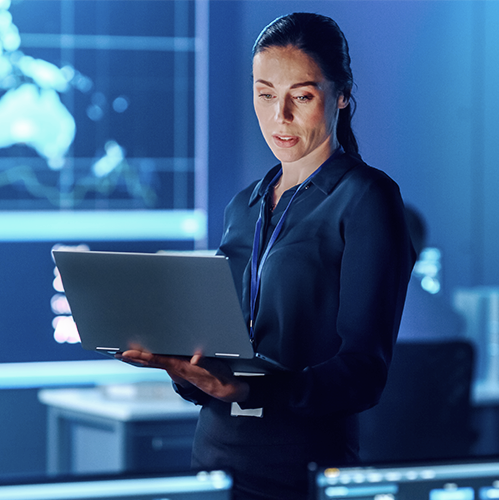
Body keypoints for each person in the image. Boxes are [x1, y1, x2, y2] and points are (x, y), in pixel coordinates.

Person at [119, 12, 414, 499]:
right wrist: (184, 369)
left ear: (341, 95)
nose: (281, 116)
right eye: (265, 94)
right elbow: (220, 348)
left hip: (300, 469)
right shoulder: (245, 204)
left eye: (301, 96)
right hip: (214, 462)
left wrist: (254, 390)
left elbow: (364, 373)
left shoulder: (368, 199)